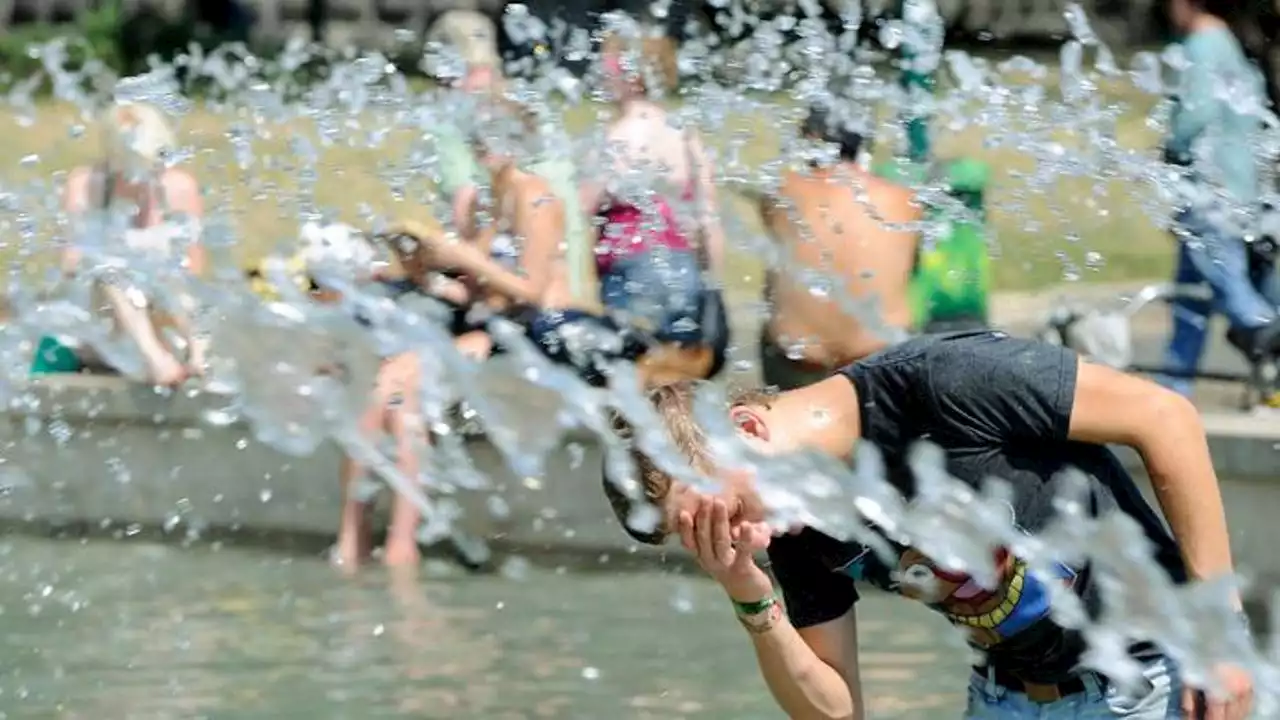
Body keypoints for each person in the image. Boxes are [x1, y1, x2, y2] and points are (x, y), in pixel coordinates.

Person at [604, 330, 1253, 719]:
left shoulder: (941, 384)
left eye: (731, 516)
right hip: (1006, 700)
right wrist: (745, 588)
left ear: (745, 427)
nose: (755, 537)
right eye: (712, 536)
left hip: (1158, 684)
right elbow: (837, 710)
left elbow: (1166, 418)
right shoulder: (802, 531)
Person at [577, 35, 729, 384]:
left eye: (609, 68)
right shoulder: (685, 135)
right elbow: (709, 219)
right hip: (683, 269)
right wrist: (714, 288)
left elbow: (579, 215)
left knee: (630, 383)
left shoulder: (614, 137)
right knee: (676, 383)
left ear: (631, 75)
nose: (603, 77)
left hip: (630, 271)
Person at [33, 101, 206, 386]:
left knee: (170, 273)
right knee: (107, 268)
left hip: (162, 313)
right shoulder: (87, 184)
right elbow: (71, 263)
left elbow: (195, 271)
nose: (135, 174)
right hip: (103, 318)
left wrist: (148, 278)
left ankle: (198, 355)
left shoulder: (179, 187)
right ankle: (156, 361)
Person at [428, 10, 593, 304]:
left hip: (528, 290)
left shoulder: (463, 117)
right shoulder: (521, 105)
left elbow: (463, 204)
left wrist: (452, 255)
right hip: (553, 269)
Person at [1161, 0, 1280, 398]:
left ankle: (1266, 335)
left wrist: (1170, 149)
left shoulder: (1200, 45)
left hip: (1208, 190)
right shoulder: (1231, 44)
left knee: (1233, 293)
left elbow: (1195, 115)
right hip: (1240, 187)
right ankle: (1174, 388)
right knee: (1189, 298)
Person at [755, 106, 921, 393]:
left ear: (811, 137)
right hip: (878, 357)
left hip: (800, 359)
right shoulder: (904, 199)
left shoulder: (782, 191)